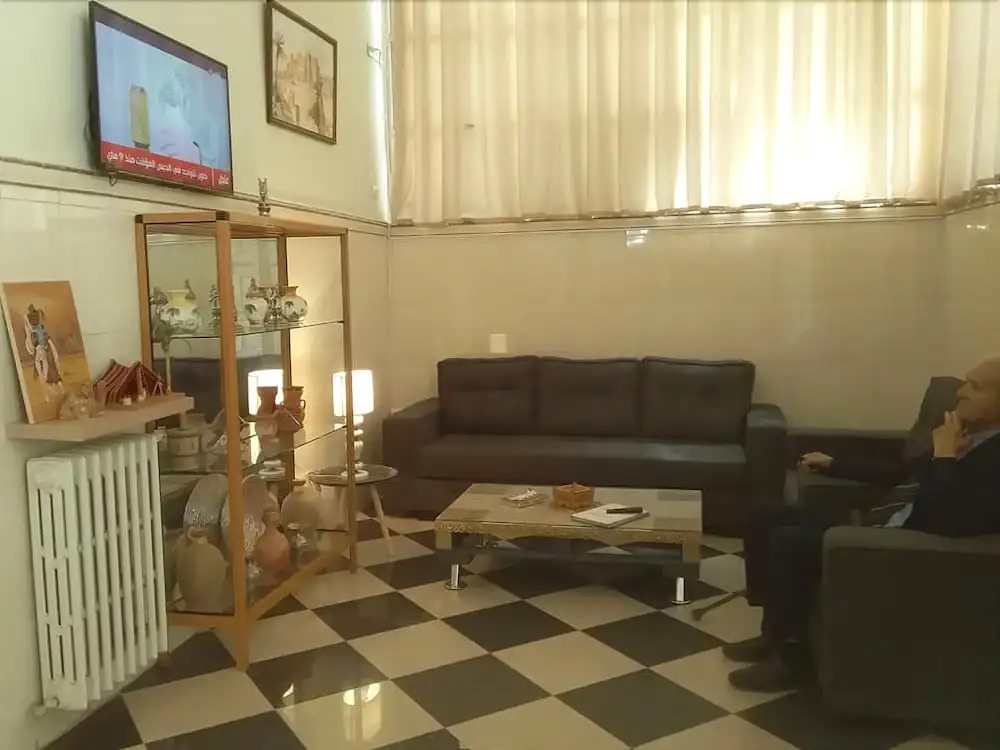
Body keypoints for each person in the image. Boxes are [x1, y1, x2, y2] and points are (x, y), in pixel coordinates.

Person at [726, 356, 1000, 692]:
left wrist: (944, 456)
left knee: (790, 542)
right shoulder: (968, 431)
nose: (961, 391)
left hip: (904, 547)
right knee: (761, 514)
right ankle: (773, 628)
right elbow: (904, 473)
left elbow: (952, 520)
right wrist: (834, 464)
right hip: (881, 521)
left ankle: (794, 660)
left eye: (975, 387)